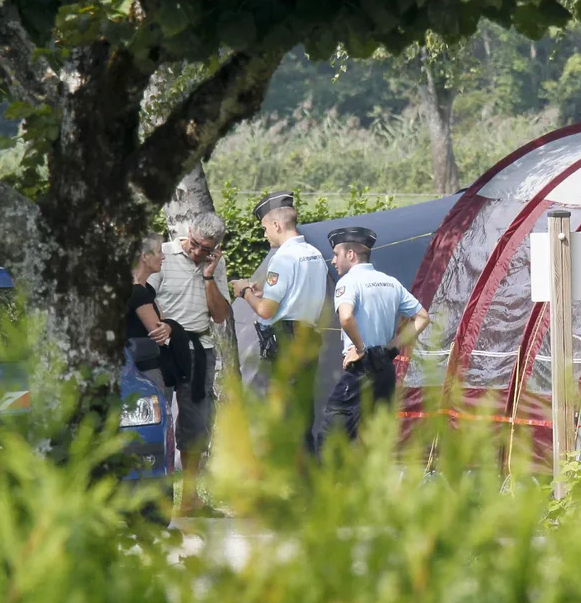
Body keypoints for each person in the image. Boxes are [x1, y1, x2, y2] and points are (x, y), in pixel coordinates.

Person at [147, 211, 231, 517]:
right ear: (190, 231)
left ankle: (190, 497)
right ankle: (155, 495)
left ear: (215, 248)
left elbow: (221, 314)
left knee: (196, 423)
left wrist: (209, 274)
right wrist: (164, 327)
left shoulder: (214, 264)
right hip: (164, 348)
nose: (197, 252)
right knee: (157, 417)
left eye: (205, 249)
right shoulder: (164, 255)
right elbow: (145, 296)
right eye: (195, 244)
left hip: (200, 348)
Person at [317, 226, 430, 450]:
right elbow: (422, 317)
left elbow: (346, 316)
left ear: (351, 255)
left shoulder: (349, 282)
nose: (333, 261)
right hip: (385, 367)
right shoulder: (390, 282)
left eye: (336, 254)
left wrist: (359, 348)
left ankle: (326, 484)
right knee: (376, 438)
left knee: (332, 437)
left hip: (361, 368)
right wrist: (393, 347)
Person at [230, 190, 327, 380]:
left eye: (265, 228)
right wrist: (265, 293)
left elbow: (266, 311)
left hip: (287, 345)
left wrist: (245, 291)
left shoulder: (282, 258)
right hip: (309, 340)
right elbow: (297, 296)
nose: (265, 235)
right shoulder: (314, 253)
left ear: (276, 225)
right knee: (303, 406)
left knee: (286, 407)